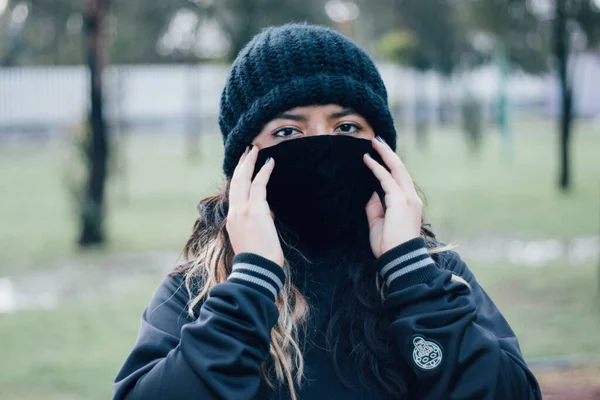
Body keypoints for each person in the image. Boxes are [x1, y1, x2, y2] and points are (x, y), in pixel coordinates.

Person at [113, 23, 541, 400]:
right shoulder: (199, 289)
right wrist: (250, 284)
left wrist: (411, 275)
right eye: (286, 131)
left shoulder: (433, 272)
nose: (321, 147)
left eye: (347, 127)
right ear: (243, 162)